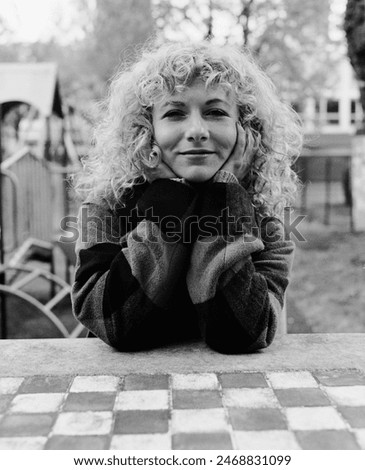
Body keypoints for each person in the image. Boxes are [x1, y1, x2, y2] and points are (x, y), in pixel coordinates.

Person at [71, 40, 303, 353]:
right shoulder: (106, 208)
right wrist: (170, 196)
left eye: (216, 112)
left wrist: (225, 194)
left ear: (246, 129)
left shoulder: (268, 221)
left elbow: (240, 332)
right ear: (146, 130)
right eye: (175, 113)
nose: (196, 130)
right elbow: (112, 321)